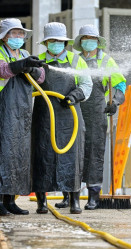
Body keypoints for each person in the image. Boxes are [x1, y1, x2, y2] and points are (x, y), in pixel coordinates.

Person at [55, 24, 126, 210]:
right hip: (75, 109)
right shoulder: (74, 60)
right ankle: (67, 194)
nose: (89, 42)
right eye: (85, 39)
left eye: (92, 39)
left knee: (94, 152)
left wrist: (115, 102)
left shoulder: (106, 62)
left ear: (97, 41)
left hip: (96, 111)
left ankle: (94, 196)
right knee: (71, 150)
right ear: (80, 42)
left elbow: (120, 84)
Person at [0, 18, 45, 216]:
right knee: (2, 156)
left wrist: (33, 67)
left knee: (19, 157)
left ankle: (11, 201)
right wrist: (22, 65)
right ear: (5, 37)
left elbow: (41, 77)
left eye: (20, 33)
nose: (18, 37)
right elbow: (2, 70)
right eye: (14, 33)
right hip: (1, 112)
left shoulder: (26, 54)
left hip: (22, 114)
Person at [31, 22, 92, 214]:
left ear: (65, 42)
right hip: (44, 117)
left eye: (59, 41)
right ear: (46, 42)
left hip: (70, 116)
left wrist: (74, 96)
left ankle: (74, 201)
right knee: (42, 156)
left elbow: (86, 84)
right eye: (51, 41)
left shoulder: (76, 61)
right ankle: (41, 202)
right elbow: (29, 87)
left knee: (72, 158)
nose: (55, 44)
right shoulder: (37, 61)